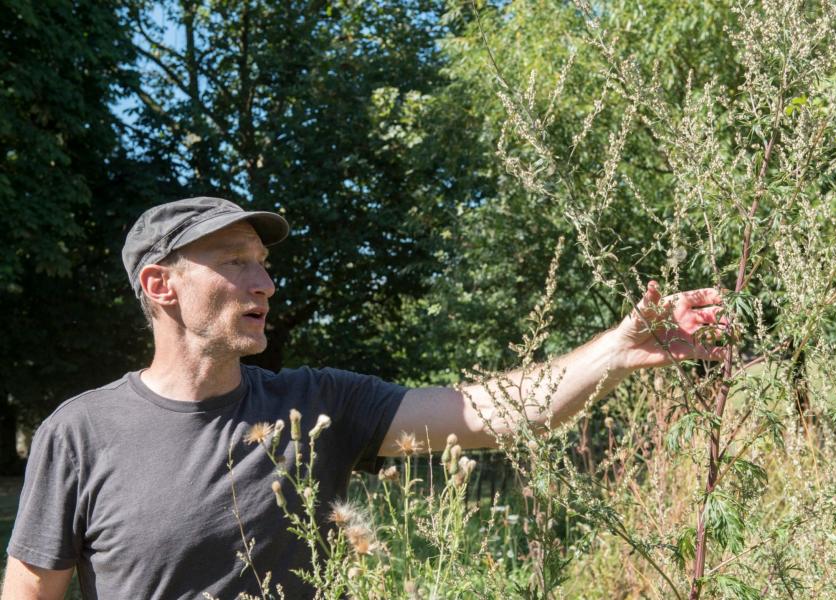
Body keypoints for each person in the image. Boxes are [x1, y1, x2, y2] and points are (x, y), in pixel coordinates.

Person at [1, 197, 725, 599]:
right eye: (234, 264)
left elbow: (497, 412)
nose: (265, 284)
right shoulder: (81, 432)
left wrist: (621, 348)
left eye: (265, 264)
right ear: (161, 287)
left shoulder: (319, 404)